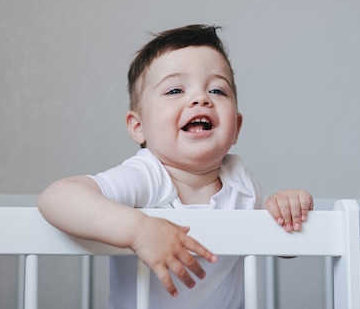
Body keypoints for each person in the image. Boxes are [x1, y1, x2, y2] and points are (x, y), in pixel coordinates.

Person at [38, 24, 314, 309]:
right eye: (174, 90)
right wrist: (138, 230)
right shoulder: (147, 175)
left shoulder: (241, 181)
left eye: (217, 90)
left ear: (236, 128)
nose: (200, 98)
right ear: (138, 126)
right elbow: (56, 198)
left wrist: (285, 210)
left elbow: (286, 249)